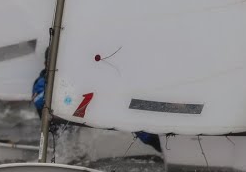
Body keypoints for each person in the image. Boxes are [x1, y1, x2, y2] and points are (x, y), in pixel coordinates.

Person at [31, 66, 160, 154]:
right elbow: (40, 102)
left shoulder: (75, 79)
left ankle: (156, 140)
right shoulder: (42, 81)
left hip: (74, 125)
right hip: (57, 131)